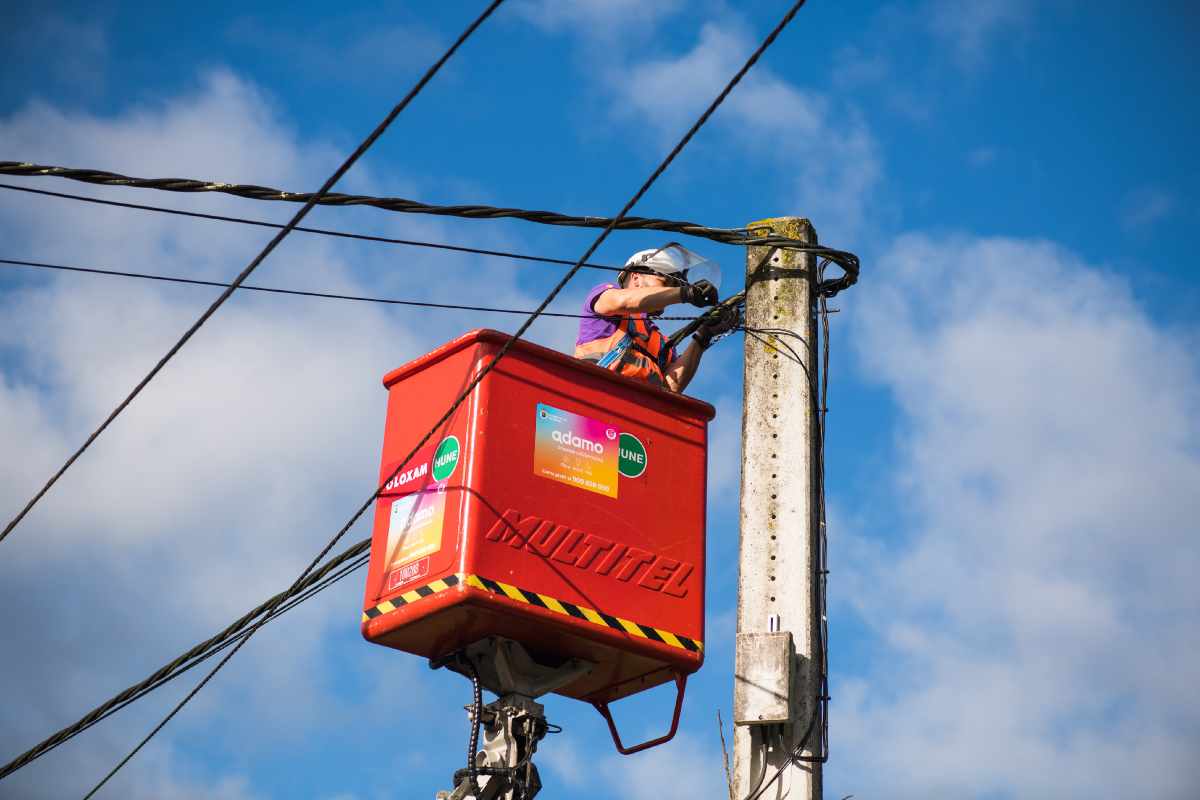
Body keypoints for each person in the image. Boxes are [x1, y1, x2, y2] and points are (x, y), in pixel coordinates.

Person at [574, 243, 737, 393]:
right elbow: (625, 301)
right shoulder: (605, 296)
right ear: (636, 278)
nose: (669, 291)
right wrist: (685, 293)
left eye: (672, 287)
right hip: (594, 394)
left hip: (639, 410)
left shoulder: (663, 344)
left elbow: (670, 389)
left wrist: (702, 337)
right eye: (665, 282)